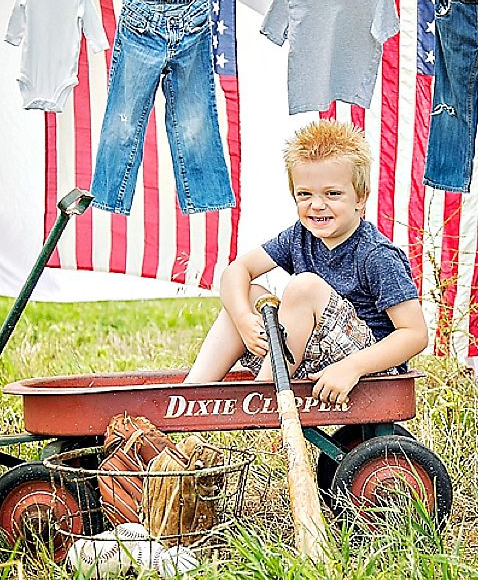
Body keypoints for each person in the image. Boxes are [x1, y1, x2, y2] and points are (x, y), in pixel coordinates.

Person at [183, 120, 428, 411]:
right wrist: (243, 320)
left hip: (368, 369)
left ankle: (263, 405)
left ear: (360, 199)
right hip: (313, 356)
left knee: (304, 286)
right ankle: (189, 398)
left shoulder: (376, 255)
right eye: (305, 194)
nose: (317, 205)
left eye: (333, 194)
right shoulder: (300, 236)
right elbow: (237, 269)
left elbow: (414, 334)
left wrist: (352, 367)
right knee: (249, 293)